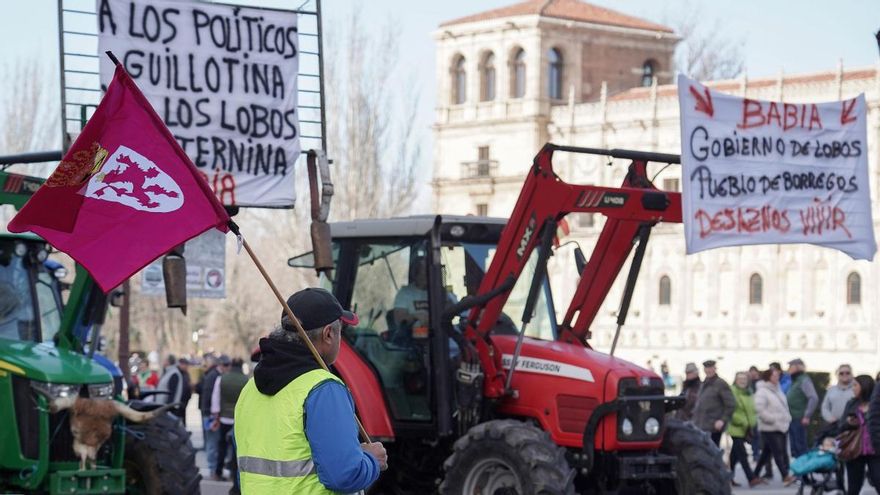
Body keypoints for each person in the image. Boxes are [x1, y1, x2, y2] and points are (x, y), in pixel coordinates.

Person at [235, 288, 387, 493]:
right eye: (340, 331)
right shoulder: (324, 389)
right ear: (328, 334)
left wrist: (352, 455)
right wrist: (371, 461)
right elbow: (344, 476)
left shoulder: (249, 389)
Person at [838, 374, 880, 495]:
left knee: (878, 480)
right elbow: (841, 426)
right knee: (853, 487)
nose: (853, 388)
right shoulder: (851, 403)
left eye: (856, 385)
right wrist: (850, 423)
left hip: (875, 450)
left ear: (864, 386)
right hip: (855, 450)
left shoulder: (876, 404)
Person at [212, 357, 249, 492]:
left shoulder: (222, 378)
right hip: (238, 420)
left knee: (221, 447)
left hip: (224, 419)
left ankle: (218, 472)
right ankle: (235, 476)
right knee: (236, 451)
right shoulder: (246, 380)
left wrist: (216, 416)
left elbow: (216, 398)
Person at [754, 368, 795, 485]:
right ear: (768, 377)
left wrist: (786, 418)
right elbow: (759, 409)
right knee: (778, 452)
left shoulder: (777, 389)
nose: (777, 377)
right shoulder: (762, 391)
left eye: (778, 375)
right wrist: (773, 420)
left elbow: (783, 407)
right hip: (769, 427)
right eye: (775, 375)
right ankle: (785, 476)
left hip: (780, 426)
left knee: (766, 453)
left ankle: (754, 475)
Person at [729, 371, 762, 487]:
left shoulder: (749, 392)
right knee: (742, 454)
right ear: (735, 380)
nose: (742, 381)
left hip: (747, 428)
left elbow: (752, 410)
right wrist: (742, 422)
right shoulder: (732, 391)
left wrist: (752, 423)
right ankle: (751, 478)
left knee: (735, 455)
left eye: (744, 378)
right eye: (740, 378)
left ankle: (729, 477)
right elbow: (731, 410)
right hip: (736, 427)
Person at [199, 354, 228, 479]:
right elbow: (212, 397)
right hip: (211, 414)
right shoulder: (214, 376)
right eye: (226, 365)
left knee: (213, 442)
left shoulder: (211, 375)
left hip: (209, 413)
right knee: (212, 442)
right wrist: (213, 416)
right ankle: (212, 470)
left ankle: (213, 469)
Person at [692, 360, 735, 445]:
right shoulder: (704, 383)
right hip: (701, 425)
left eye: (710, 368)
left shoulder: (720, 383)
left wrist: (722, 420)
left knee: (713, 451)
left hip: (714, 426)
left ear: (715, 369)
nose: (708, 370)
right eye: (706, 368)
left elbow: (730, 404)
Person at [786, 358, 819, 458]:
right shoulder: (796, 380)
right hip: (793, 417)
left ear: (797, 367)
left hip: (799, 418)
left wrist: (807, 415)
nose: (788, 369)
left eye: (791, 366)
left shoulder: (804, 380)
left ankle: (804, 472)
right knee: (795, 447)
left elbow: (813, 398)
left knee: (800, 447)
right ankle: (799, 470)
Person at [155, 354, 191, 421]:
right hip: (162, 408)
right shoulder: (168, 372)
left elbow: (172, 394)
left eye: (165, 360)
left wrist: (167, 409)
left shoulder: (174, 374)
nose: (163, 362)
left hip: (168, 410)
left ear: (168, 362)